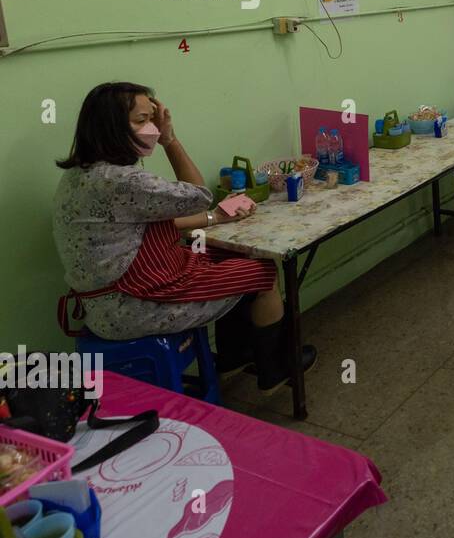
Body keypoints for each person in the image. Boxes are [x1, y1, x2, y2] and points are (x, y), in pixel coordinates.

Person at [51, 82, 316, 393]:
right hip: (135, 303)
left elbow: (139, 224)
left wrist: (214, 218)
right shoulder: (123, 181)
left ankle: (233, 358)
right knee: (264, 271)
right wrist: (170, 140)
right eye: (141, 121)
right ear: (110, 127)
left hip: (104, 302)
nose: (151, 128)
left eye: (153, 119)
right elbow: (198, 195)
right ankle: (275, 370)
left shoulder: (81, 175)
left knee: (240, 258)